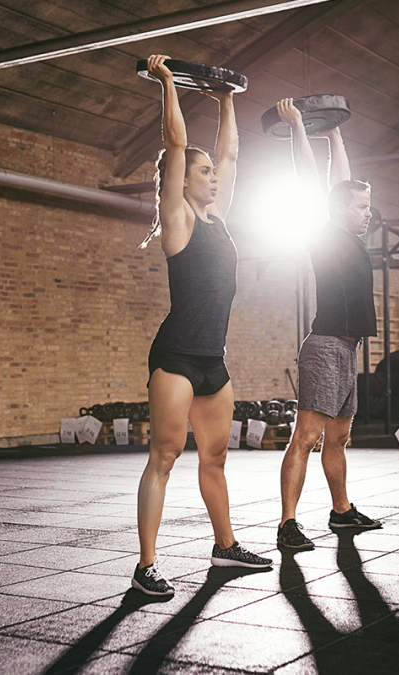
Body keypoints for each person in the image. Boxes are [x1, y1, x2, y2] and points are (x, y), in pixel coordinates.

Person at [133, 55, 272, 597]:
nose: (214, 175)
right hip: (175, 358)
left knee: (215, 457)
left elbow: (233, 151)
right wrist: (169, 83)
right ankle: (146, 566)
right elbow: (174, 145)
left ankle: (225, 547)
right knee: (164, 458)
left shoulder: (218, 219)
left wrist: (227, 98)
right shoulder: (179, 218)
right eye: (204, 171)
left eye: (214, 171)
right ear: (183, 181)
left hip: (213, 359)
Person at [274, 98, 383, 551]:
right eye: (360, 207)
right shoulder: (324, 234)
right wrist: (300, 125)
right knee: (307, 436)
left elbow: (343, 182)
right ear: (340, 210)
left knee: (338, 437)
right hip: (324, 347)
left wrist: (335, 132)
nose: (366, 213)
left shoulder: (351, 236)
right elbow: (311, 181)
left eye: (366, 206)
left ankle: (341, 513)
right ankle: (287, 524)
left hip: (348, 349)